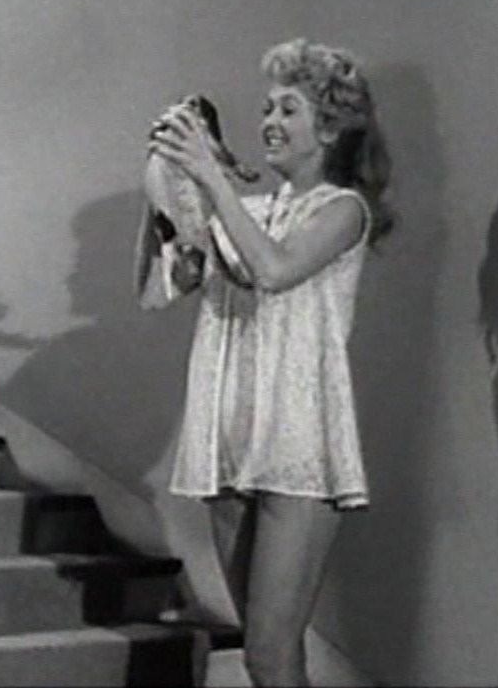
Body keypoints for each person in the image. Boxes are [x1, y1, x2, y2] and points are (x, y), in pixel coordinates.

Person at [137, 37, 391, 687]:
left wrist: (212, 179)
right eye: (267, 109)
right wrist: (169, 180)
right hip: (226, 436)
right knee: (263, 655)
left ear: (328, 128)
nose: (269, 122)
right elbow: (160, 289)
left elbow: (274, 270)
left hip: (295, 440)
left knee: (269, 655)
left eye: (287, 109)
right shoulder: (244, 212)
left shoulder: (343, 211)